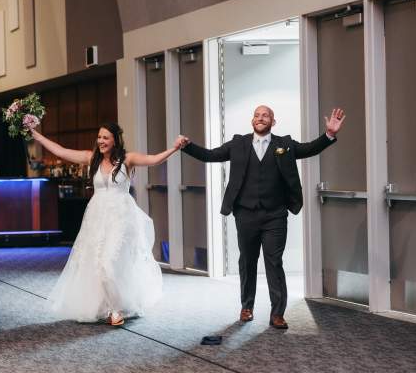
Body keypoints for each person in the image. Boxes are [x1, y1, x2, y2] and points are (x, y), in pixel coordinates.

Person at [181, 105, 346, 329]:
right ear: (252, 121)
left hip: (275, 215)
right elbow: (210, 155)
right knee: (247, 262)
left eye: (265, 115)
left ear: (273, 122)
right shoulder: (238, 144)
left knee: (274, 262)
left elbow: (309, 149)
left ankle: (277, 313)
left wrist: (329, 135)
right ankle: (246, 306)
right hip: (245, 214)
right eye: (257, 115)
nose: (260, 118)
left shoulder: (284, 145)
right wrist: (187, 146)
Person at [31, 122, 188, 326]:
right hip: (97, 218)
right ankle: (105, 304)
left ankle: (115, 310)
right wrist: (37, 137)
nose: (101, 141)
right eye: (99, 137)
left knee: (108, 262)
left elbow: (153, 160)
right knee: (96, 263)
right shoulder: (92, 158)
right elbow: (62, 151)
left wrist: (175, 148)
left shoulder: (127, 159)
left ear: (115, 139)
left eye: (105, 137)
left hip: (121, 217)